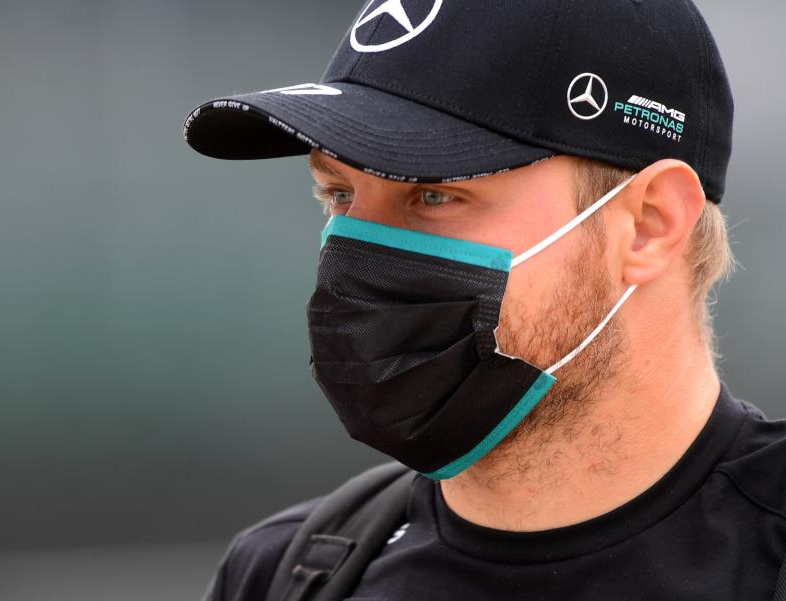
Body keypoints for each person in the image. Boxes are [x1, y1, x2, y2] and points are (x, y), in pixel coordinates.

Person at [181, 1, 786, 599]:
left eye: (434, 195)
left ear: (649, 224)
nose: (352, 251)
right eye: (339, 194)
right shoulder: (282, 575)